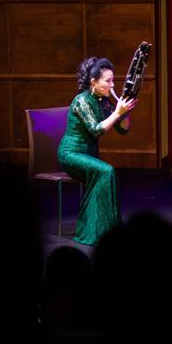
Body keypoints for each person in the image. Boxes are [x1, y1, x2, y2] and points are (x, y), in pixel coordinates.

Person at [58, 57, 136, 246]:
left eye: (112, 80)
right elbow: (96, 129)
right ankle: (96, 232)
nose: (112, 85)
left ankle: (105, 231)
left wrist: (125, 112)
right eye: (107, 81)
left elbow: (123, 129)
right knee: (106, 171)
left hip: (88, 155)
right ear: (93, 82)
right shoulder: (81, 100)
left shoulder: (104, 101)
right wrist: (117, 112)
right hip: (71, 154)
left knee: (104, 173)